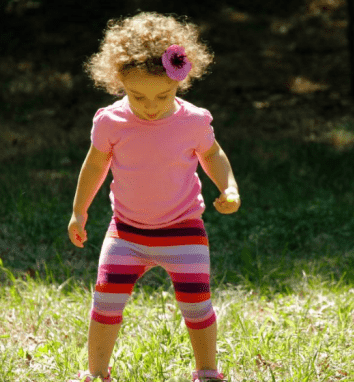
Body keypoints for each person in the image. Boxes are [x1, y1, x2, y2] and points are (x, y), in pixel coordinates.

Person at [67, 11, 240, 382]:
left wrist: (228, 187)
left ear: (181, 79)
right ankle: (97, 372)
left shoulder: (193, 121)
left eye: (162, 94)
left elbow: (212, 154)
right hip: (126, 232)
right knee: (105, 303)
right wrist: (79, 211)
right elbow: (95, 165)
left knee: (197, 305)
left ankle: (207, 371)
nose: (149, 106)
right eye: (136, 95)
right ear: (119, 83)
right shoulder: (110, 121)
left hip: (183, 230)